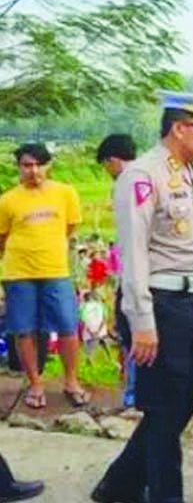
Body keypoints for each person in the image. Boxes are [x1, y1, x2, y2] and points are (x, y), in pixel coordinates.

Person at [91, 90, 193, 503]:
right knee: (165, 410)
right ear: (179, 128)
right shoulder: (141, 176)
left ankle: (119, 484)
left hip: (189, 303)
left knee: (188, 394)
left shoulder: (185, 172)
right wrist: (142, 322)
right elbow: (132, 255)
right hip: (159, 307)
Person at [0, 142, 86, 410]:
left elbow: (69, 228)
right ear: (19, 167)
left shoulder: (65, 194)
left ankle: (71, 381)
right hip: (19, 273)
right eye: (27, 165)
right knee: (24, 329)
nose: (34, 171)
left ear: (48, 166)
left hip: (56, 271)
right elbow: (2, 238)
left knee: (67, 326)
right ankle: (35, 383)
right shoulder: (7, 200)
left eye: (39, 165)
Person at [97, 133, 138, 408]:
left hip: (135, 276)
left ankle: (135, 395)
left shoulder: (125, 183)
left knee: (132, 336)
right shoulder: (151, 176)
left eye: (105, 166)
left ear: (112, 161)